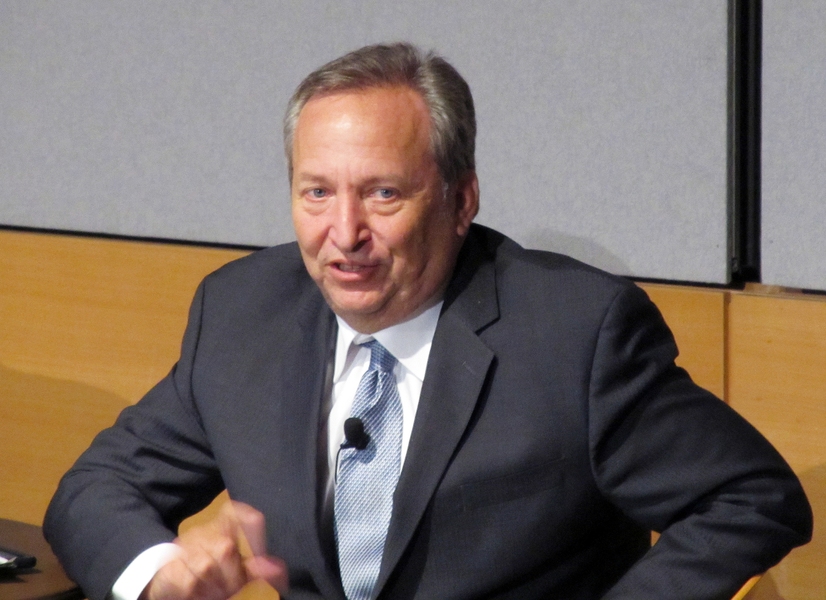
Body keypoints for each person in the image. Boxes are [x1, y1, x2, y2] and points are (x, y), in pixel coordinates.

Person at [44, 42, 812, 600]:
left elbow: (752, 498)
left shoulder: (575, 337)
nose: (343, 234)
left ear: (461, 199)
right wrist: (158, 574)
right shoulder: (244, 313)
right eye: (316, 194)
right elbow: (93, 490)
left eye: (383, 195)